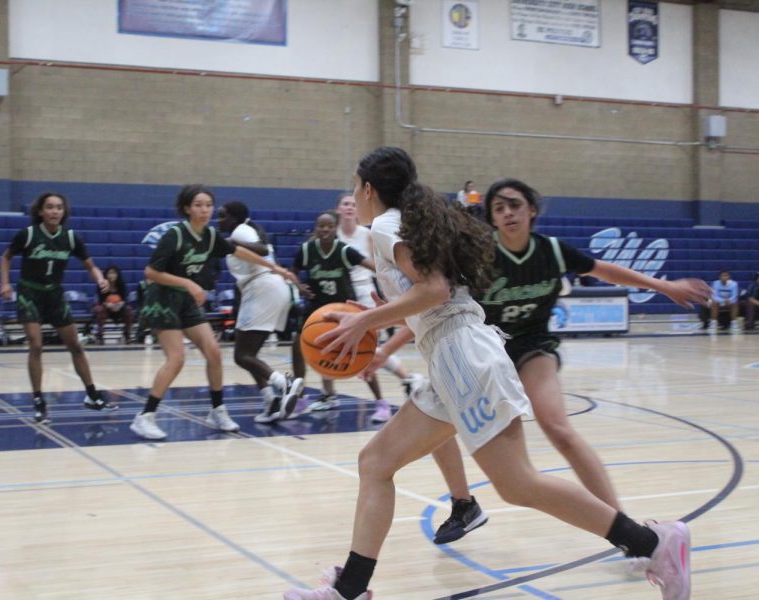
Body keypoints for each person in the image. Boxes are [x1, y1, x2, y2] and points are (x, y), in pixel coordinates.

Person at [283, 147, 691, 600]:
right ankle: (351, 588)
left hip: (462, 356)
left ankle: (653, 542)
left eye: (354, 187)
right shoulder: (400, 225)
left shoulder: (383, 226)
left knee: (519, 484)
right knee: (376, 463)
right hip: (451, 357)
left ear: (367, 188)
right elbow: (427, 294)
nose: (352, 197)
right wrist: (374, 319)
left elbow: (434, 291)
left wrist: (366, 323)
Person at [412, 178, 712, 545]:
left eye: (514, 205)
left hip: (532, 347)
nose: (507, 213)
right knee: (434, 413)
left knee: (557, 428)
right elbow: (438, 300)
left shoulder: (552, 250)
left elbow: (606, 270)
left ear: (531, 210)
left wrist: (665, 286)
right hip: (483, 351)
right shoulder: (481, 253)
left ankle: (626, 530)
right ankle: (464, 504)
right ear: (491, 218)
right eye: (499, 208)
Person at [129, 185, 298, 441]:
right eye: (198, 205)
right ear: (187, 208)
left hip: (185, 302)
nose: (205, 210)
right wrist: (189, 283)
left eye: (208, 205)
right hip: (162, 300)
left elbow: (239, 251)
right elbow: (150, 273)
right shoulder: (175, 235)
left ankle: (217, 411)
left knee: (214, 353)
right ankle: (145, 417)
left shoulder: (209, 236)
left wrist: (277, 269)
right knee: (176, 359)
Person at [0, 192, 118, 424]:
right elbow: (6, 257)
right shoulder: (28, 234)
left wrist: (99, 278)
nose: (54, 211)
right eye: (50, 207)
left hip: (54, 294)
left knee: (75, 345)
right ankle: (38, 401)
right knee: (36, 344)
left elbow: (89, 264)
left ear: (64, 212)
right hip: (29, 293)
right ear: (41, 211)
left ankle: (92, 395)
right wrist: (4, 283)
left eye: (59, 207)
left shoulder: (71, 238)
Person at [217, 201, 304, 424]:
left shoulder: (240, 231)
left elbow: (262, 250)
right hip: (269, 289)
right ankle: (270, 401)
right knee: (250, 354)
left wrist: (231, 243)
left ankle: (283, 384)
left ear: (235, 217)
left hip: (262, 288)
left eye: (223, 216)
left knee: (242, 356)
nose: (220, 220)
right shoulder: (246, 229)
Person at [289, 211, 381, 417]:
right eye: (321, 226)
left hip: (342, 310)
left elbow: (370, 265)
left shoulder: (343, 250)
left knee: (362, 352)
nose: (325, 230)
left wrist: (388, 274)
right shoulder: (306, 250)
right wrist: (299, 286)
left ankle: (380, 402)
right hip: (317, 311)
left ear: (335, 228)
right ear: (316, 228)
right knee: (298, 347)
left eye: (329, 226)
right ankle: (304, 398)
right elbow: (292, 270)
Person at [335, 193, 413, 423]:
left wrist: (386, 302)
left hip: (365, 293)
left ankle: (385, 400)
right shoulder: (333, 234)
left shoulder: (369, 234)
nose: (349, 207)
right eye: (345, 204)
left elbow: (379, 268)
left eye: (352, 203)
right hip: (343, 294)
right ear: (338, 209)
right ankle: (408, 379)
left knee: (365, 350)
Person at [92, 265, 135, 344]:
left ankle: (127, 334)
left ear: (118, 274)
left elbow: (124, 299)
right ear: (106, 275)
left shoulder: (121, 285)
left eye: (114, 273)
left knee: (129, 310)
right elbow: (100, 300)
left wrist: (120, 304)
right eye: (110, 273)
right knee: (99, 310)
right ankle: (100, 335)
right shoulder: (102, 285)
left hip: (119, 307)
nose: (112, 275)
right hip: (106, 308)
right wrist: (107, 304)